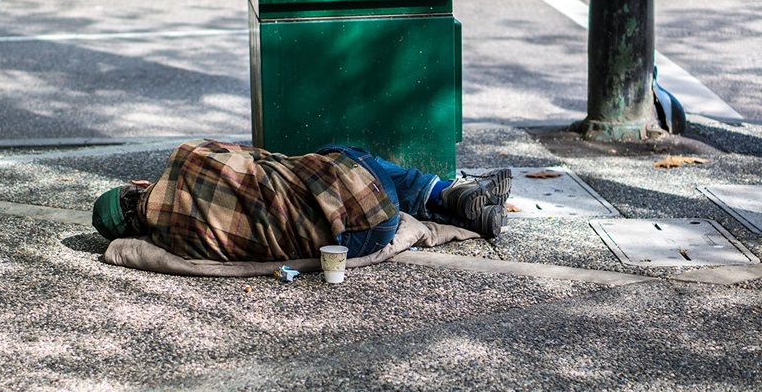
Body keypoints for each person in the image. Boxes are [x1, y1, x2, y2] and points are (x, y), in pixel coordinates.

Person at [92, 139, 511, 262]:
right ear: (137, 183)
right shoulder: (189, 157)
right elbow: (262, 157)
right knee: (336, 154)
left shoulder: (178, 244)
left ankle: (472, 215)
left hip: (361, 238)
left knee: (350, 188)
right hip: (366, 189)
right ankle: (448, 192)